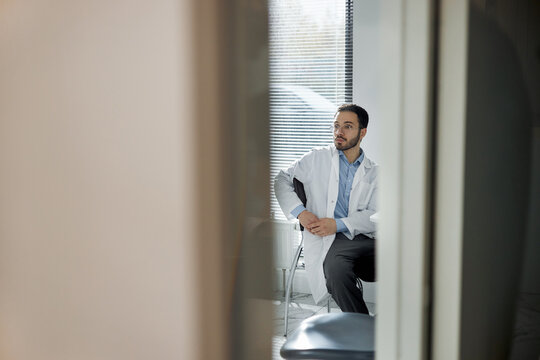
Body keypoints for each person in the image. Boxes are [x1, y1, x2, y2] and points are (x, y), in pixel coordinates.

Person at [274, 104, 377, 313]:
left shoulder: (374, 172)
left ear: (362, 132)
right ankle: (362, 328)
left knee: (410, 258)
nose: (339, 132)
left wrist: (338, 224)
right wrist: (300, 213)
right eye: (336, 125)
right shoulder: (317, 158)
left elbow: (374, 214)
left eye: (347, 126)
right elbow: (281, 179)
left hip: (366, 238)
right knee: (336, 268)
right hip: (331, 239)